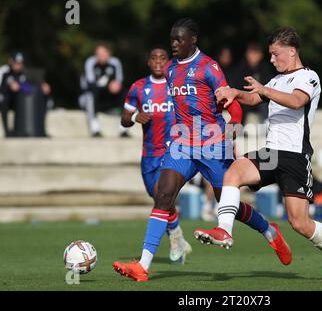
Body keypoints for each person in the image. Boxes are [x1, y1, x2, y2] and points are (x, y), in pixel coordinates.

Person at [112, 18, 291, 282]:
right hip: (182, 143)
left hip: (212, 144)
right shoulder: (171, 69)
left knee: (229, 204)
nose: (174, 43)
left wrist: (234, 130)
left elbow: (233, 105)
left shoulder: (209, 68)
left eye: (179, 39)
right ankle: (143, 265)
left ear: (193, 40)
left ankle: (270, 231)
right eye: (172, 38)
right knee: (163, 195)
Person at [196, 27, 322, 281]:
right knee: (233, 173)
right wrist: (235, 93)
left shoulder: (308, 77)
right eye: (269, 55)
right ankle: (224, 230)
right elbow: (254, 98)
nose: (271, 59)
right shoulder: (277, 80)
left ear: (292, 52)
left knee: (300, 223)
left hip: (294, 157)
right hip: (271, 152)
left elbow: (296, 101)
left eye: (275, 54)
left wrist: (264, 90)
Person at [112, 47, 192, 281]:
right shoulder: (138, 88)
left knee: (161, 196)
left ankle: (174, 241)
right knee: (156, 196)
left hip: (173, 150)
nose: (158, 62)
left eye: (163, 58)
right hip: (149, 155)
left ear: (169, 62)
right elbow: (124, 119)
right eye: (154, 58)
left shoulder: (176, 85)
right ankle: (176, 231)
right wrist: (135, 117)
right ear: (149, 62)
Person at [80, 43, 128, 138]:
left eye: (103, 53)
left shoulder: (115, 63)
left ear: (109, 53)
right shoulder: (91, 62)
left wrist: (116, 86)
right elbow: (91, 84)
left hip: (109, 97)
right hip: (89, 97)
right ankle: (95, 129)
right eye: (98, 53)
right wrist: (108, 86)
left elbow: (119, 81)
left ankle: (124, 128)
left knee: (126, 94)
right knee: (91, 95)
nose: (101, 56)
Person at [0, 52, 51, 137]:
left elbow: (33, 83)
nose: (18, 66)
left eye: (20, 63)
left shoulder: (25, 73)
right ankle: (7, 132)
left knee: (43, 97)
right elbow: (10, 87)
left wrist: (43, 85)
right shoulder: (6, 73)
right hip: (9, 101)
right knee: (4, 101)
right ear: (11, 62)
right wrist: (20, 86)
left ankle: (41, 129)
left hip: (20, 102)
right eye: (16, 63)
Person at [233, 42, 273, 125]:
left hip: (260, 99)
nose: (253, 56)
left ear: (260, 55)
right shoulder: (240, 68)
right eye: (251, 53)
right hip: (244, 98)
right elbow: (236, 85)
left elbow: (268, 86)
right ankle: (231, 135)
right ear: (247, 54)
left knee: (266, 103)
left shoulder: (265, 68)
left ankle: (267, 125)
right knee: (236, 106)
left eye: (256, 54)